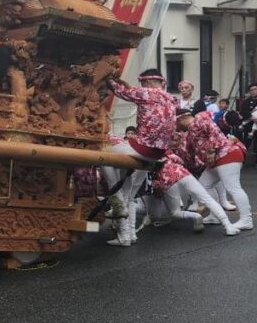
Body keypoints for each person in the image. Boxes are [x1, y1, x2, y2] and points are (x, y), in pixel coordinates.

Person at [101, 69, 177, 246]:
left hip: (141, 148)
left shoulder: (147, 92)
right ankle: (128, 236)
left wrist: (108, 79)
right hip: (158, 154)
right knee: (130, 193)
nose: (142, 87)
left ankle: (115, 199)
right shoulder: (171, 98)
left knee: (102, 152)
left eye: (143, 84)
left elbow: (120, 91)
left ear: (148, 82)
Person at [178, 107, 253, 231]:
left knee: (233, 187)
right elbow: (190, 154)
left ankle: (246, 219)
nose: (176, 128)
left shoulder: (199, 118)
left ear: (180, 119)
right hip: (215, 161)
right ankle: (215, 215)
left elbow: (213, 131)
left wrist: (212, 150)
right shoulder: (189, 133)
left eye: (175, 124)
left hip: (226, 154)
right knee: (203, 186)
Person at [144, 144, 238, 235]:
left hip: (165, 180)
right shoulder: (164, 149)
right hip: (181, 172)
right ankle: (228, 225)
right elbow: (178, 159)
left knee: (175, 213)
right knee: (206, 198)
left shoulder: (145, 156)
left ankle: (196, 216)